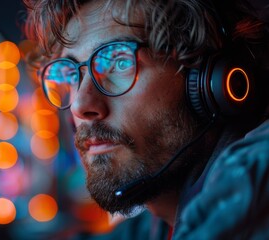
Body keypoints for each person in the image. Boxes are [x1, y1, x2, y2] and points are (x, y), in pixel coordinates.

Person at [22, 0, 269, 239]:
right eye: (71, 74)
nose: (80, 106)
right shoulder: (158, 224)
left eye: (120, 63)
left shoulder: (253, 195)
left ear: (210, 83)